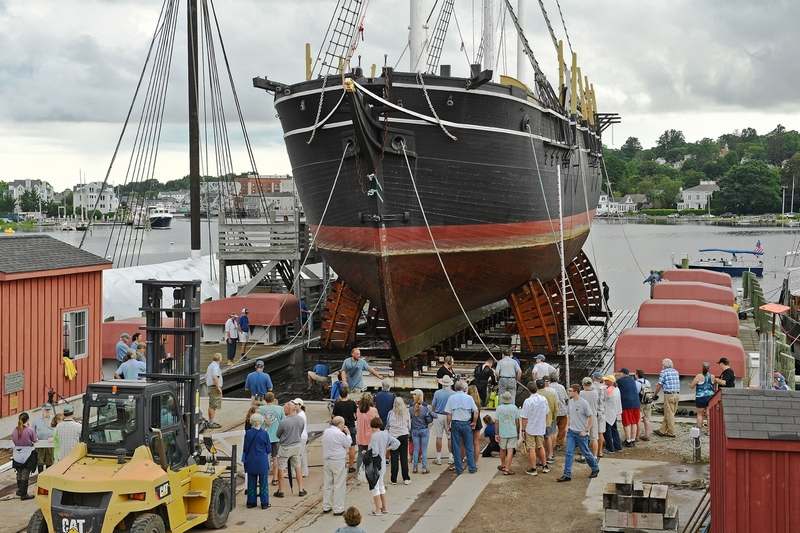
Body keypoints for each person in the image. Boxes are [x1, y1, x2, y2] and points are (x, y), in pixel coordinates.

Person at [557, 384, 600, 482]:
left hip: (581, 434)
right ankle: (567, 474)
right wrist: (567, 426)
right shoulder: (570, 402)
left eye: (570, 390)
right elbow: (568, 415)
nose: (569, 392)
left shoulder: (584, 403)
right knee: (568, 453)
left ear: (575, 391)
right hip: (571, 433)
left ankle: (595, 468)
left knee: (586, 453)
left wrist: (586, 430)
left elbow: (590, 417)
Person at [367, 417, 400, 515]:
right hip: (383, 464)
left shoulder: (374, 436)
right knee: (381, 485)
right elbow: (397, 443)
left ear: (373, 426)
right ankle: (384, 507)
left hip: (375, 464)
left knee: (375, 487)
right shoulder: (386, 434)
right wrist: (388, 448)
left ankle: (377, 509)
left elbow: (375, 452)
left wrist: (367, 453)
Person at [445, 380, 479, 475]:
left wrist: (448, 424)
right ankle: (472, 467)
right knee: (469, 446)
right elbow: (476, 411)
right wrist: (474, 422)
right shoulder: (469, 398)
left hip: (455, 423)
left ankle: (459, 469)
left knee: (456, 446)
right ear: (464, 388)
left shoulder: (451, 398)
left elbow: (449, 413)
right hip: (466, 423)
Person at [274, 402, 306, 498]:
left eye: (285, 408)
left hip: (285, 447)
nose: (284, 410)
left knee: (281, 468)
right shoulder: (300, 419)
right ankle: (301, 489)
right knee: (297, 467)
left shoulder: (284, 422)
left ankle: (281, 490)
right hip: (296, 445)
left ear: (289, 409)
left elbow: (278, 434)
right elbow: (301, 430)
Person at [322, 416, 352, 515]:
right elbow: (348, 444)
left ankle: (326, 505)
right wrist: (348, 434)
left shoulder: (326, 431)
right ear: (340, 424)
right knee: (339, 484)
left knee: (327, 484)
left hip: (327, 460)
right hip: (338, 460)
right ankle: (338, 508)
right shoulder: (339, 434)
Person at [242, 413, 271, 509]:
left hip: (251, 460)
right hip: (262, 460)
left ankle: (251, 502)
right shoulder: (264, 433)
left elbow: (245, 448)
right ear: (261, 422)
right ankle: (264, 503)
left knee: (251, 482)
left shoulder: (248, 433)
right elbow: (268, 449)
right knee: (263, 483)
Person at [520, 381, 549, 475]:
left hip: (531, 428)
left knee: (531, 448)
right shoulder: (543, 399)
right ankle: (545, 466)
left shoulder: (527, 401)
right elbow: (546, 412)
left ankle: (533, 468)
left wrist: (523, 429)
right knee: (541, 446)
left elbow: (524, 417)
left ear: (528, 390)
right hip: (540, 426)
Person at [259, 392, 284, 487]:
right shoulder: (280, 409)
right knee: (275, 458)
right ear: (274, 399)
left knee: (264, 458)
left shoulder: (260, 409)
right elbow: (283, 423)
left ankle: (263, 478)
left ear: (264, 399)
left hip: (264, 437)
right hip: (276, 437)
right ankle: (275, 478)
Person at [331, 386, 358, 473]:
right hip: (351, 426)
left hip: (340, 427)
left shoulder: (337, 404)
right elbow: (356, 415)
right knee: (352, 447)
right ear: (347, 393)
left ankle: (341, 465)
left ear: (340, 394)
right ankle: (351, 465)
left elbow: (333, 416)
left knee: (340, 447)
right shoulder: (352, 403)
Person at [11, 413, 37, 499]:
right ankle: (24, 494)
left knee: (19, 472)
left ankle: (19, 490)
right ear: (28, 420)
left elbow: (13, 440)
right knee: (25, 473)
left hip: (17, 454)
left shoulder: (15, 430)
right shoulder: (30, 430)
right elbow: (34, 440)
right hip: (27, 453)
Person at [409, 389, 435, 474]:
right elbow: (435, 416)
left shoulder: (411, 408)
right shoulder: (426, 408)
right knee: (424, 450)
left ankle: (415, 468)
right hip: (424, 430)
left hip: (415, 430)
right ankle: (424, 468)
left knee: (416, 449)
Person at [386, 396, 411, 485]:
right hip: (403, 435)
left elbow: (388, 425)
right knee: (404, 457)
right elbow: (409, 425)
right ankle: (406, 478)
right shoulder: (406, 412)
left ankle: (394, 479)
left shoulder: (390, 413)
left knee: (394, 458)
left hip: (393, 436)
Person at [431, 375, 455, 465]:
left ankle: (438, 457)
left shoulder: (437, 393)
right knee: (449, 437)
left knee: (439, 437)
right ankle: (450, 457)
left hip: (439, 415)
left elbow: (433, 405)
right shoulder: (453, 393)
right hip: (449, 415)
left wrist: (433, 412)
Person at [654, 358, 681, 438]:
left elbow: (659, 384)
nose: (662, 366)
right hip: (677, 395)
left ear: (664, 365)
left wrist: (655, 394)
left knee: (669, 414)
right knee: (669, 413)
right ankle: (662, 430)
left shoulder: (664, 372)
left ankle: (671, 432)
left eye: (662, 365)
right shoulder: (676, 371)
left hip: (669, 395)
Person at [355, 393, 379, 479]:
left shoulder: (358, 410)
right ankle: (369, 474)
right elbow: (377, 422)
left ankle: (359, 473)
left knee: (360, 455)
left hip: (360, 435)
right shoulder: (373, 410)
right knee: (371, 455)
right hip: (370, 437)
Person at [495, 391, 520, 474]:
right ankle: (507, 468)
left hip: (502, 432)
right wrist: (518, 432)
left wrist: (496, 433)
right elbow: (517, 422)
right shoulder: (514, 407)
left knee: (502, 449)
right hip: (512, 432)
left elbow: (497, 422)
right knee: (510, 450)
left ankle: (502, 464)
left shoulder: (499, 408)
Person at [616, 368, 640, 447]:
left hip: (626, 404)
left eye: (619, 373)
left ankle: (628, 440)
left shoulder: (620, 381)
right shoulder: (633, 380)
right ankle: (633, 440)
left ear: (622, 373)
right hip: (636, 404)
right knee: (634, 422)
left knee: (627, 423)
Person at [579, 377, 601, 460]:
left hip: (584, 417)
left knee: (584, 437)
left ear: (583, 384)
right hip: (593, 416)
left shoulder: (581, 393)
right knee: (594, 437)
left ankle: (584, 455)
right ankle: (594, 456)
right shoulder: (595, 393)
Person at [538, 378, 558, 464]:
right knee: (548, 436)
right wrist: (554, 417)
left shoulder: (535, 395)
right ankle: (550, 455)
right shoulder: (552, 394)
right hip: (549, 419)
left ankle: (540, 458)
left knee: (539, 439)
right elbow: (556, 408)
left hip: (538, 421)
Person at [690, 363, 715, 430]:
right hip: (710, 397)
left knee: (699, 414)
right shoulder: (712, 376)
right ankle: (709, 431)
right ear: (709, 368)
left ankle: (699, 430)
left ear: (702, 368)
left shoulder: (698, 376)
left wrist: (690, 384)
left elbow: (692, 386)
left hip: (700, 397)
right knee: (709, 414)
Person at [549, 372, 569, 449]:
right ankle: (559, 443)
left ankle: (551, 443)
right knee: (562, 429)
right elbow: (566, 398)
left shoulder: (549, 387)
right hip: (563, 411)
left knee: (552, 430)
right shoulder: (561, 387)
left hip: (553, 412)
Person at [602, 376, 622, 453]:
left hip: (608, 413)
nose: (604, 382)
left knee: (607, 431)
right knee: (614, 430)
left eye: (606, 380)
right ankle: (618, 446)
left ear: (610, 382)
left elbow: (605, 397)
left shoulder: (609, 390)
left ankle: (610, 448)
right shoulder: (616, 389)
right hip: (614, 412)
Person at [466, 384, 485, 464]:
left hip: (469, 421)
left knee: (467, 442)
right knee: (476, 442)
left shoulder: (468, 401)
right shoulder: (478, 401)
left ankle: (468, 459)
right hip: (478, 422)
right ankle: (476, 461)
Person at [33, 404, 54, 472]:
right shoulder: (36, 420)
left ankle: (48, 477)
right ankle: (40, 476)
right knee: (40, 462)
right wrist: (35, 439)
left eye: (49, 410)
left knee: (50, 462)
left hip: (50, 445)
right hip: (40, 444)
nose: (47, 412)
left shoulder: (54, 420)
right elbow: (32, 432)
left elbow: (58, 431)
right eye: (46, 410)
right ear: (42, 410)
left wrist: (54, 438)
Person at [205, 353, 223, 429]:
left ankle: (210, 421)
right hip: (214, 388)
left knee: (212, 405)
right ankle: (211, 423)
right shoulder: (215, 366)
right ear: (220, 359)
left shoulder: (211, 365)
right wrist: (218, 387)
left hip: (210, 387)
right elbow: (215, 377)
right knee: (213, 406)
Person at [293, 398, 310, 477]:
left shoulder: (300, 415)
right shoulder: (300, 414)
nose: (294, 406)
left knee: (298, 455)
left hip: (300, 437)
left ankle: (298, 473)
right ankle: (304, 472)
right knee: (302, 455)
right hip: (302, 436)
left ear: (300, 405)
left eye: (296, 404)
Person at [635, 369, 653, 441]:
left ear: (637, 374)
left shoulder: (636, 382)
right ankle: (647, 435)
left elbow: (635, 393)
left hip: (640, 402)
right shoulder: (647, 381)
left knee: (638, 419)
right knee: (646, 419)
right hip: (648, 402)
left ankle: (637, 436)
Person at [592, 372, 607, 456]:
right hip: (602, 411)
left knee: (591, 433)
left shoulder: (591, 387)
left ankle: (592, 451)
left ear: (594, 378)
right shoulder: (604, 388)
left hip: (594, 411)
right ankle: (600, 451)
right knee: (600, 432)